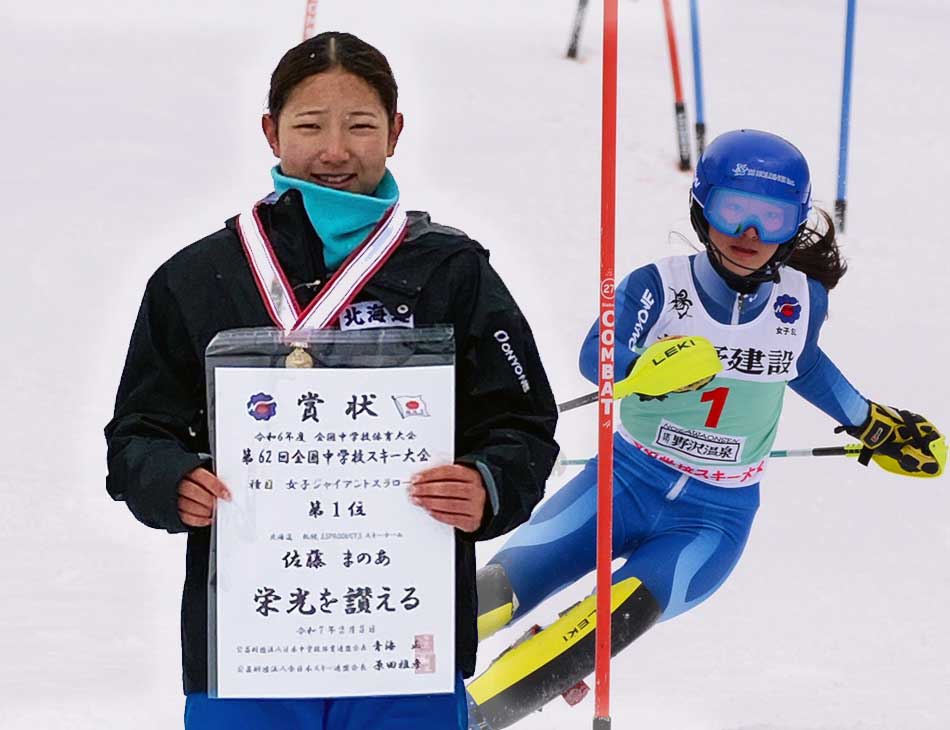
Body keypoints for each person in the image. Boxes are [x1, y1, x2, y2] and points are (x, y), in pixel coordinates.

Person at [104, 31, 559, 730]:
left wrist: (488, 482)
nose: (335, 150)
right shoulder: (196, 280)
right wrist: (168, 480)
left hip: (406, 644)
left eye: (361, 125)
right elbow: (139, 432)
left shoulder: (452, 271)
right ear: (271, 132)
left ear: (396, 131)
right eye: (310, 125)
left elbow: (522, 424)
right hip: (249, 648)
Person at [466, 129, 946, 729]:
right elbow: (598, 358)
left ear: (793, 225)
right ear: (701, 208)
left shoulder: (804, 299)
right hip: (623, 482)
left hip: (713, 519)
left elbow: (803, 362)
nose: (750, 234)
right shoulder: (660, 286)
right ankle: (379, 673)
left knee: (595, 633)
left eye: (770, 218)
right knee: (491, 596)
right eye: (732, 210)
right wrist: (647, 371)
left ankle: (462, 720)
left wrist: (870, 422)